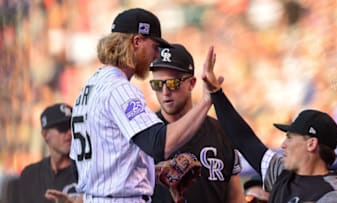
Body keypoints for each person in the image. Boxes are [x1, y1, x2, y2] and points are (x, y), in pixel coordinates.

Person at [69, 8, 214, 203]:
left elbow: (80, 165)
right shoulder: (118, 88)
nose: (157, 55)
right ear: (137, 41)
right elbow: (159, 145)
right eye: (155, 47)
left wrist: (149, 171)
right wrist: (207, 99)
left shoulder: (90, 87)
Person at [201, 47, 337, 203]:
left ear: (311, 143)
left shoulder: (334, 194)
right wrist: (216, 93)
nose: (283, 145)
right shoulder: (281, 174)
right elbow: (244, 139)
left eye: (290, 138)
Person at [149, 44, 244, 203]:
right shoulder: (144, 133)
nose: (165, 92)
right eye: (157, 84)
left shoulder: (220, 132)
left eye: (173, 83)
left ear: (192, 83)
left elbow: (235, 197)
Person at [18, 103, 78, 203]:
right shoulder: (30, 175)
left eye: (72, 127)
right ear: (45, 134)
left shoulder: (85, 172)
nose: (70, 133)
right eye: (62, 128)